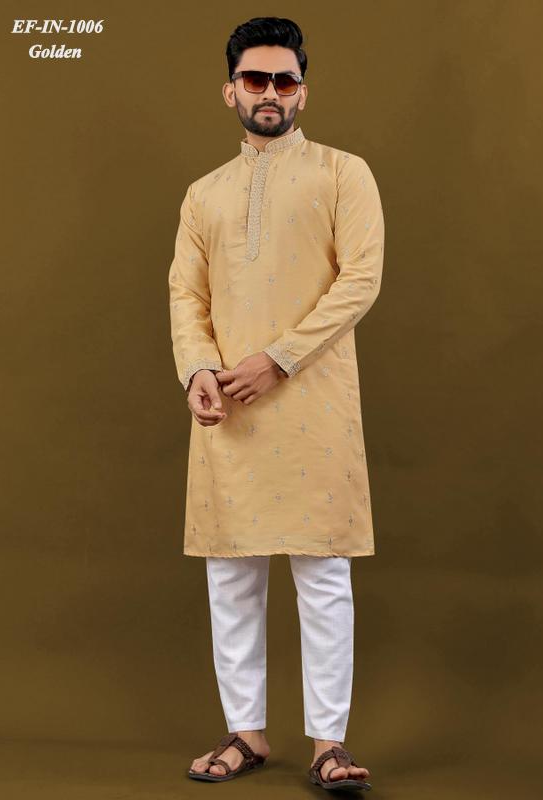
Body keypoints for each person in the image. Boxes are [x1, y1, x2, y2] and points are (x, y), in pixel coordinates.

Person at [168, 15, 384, 792]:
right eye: (255, 79)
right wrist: (198, 369)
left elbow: (360, 281)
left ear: (302, 90)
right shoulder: (204, 195)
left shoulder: (343, 174)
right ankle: (247, 733)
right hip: (229, 405)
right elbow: (187, 295)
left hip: (314, 402)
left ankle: (330, 744)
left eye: (283, 79)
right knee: (232, 573)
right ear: (230, 90)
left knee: (322, 574)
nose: (270, 92)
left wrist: (279, 359)